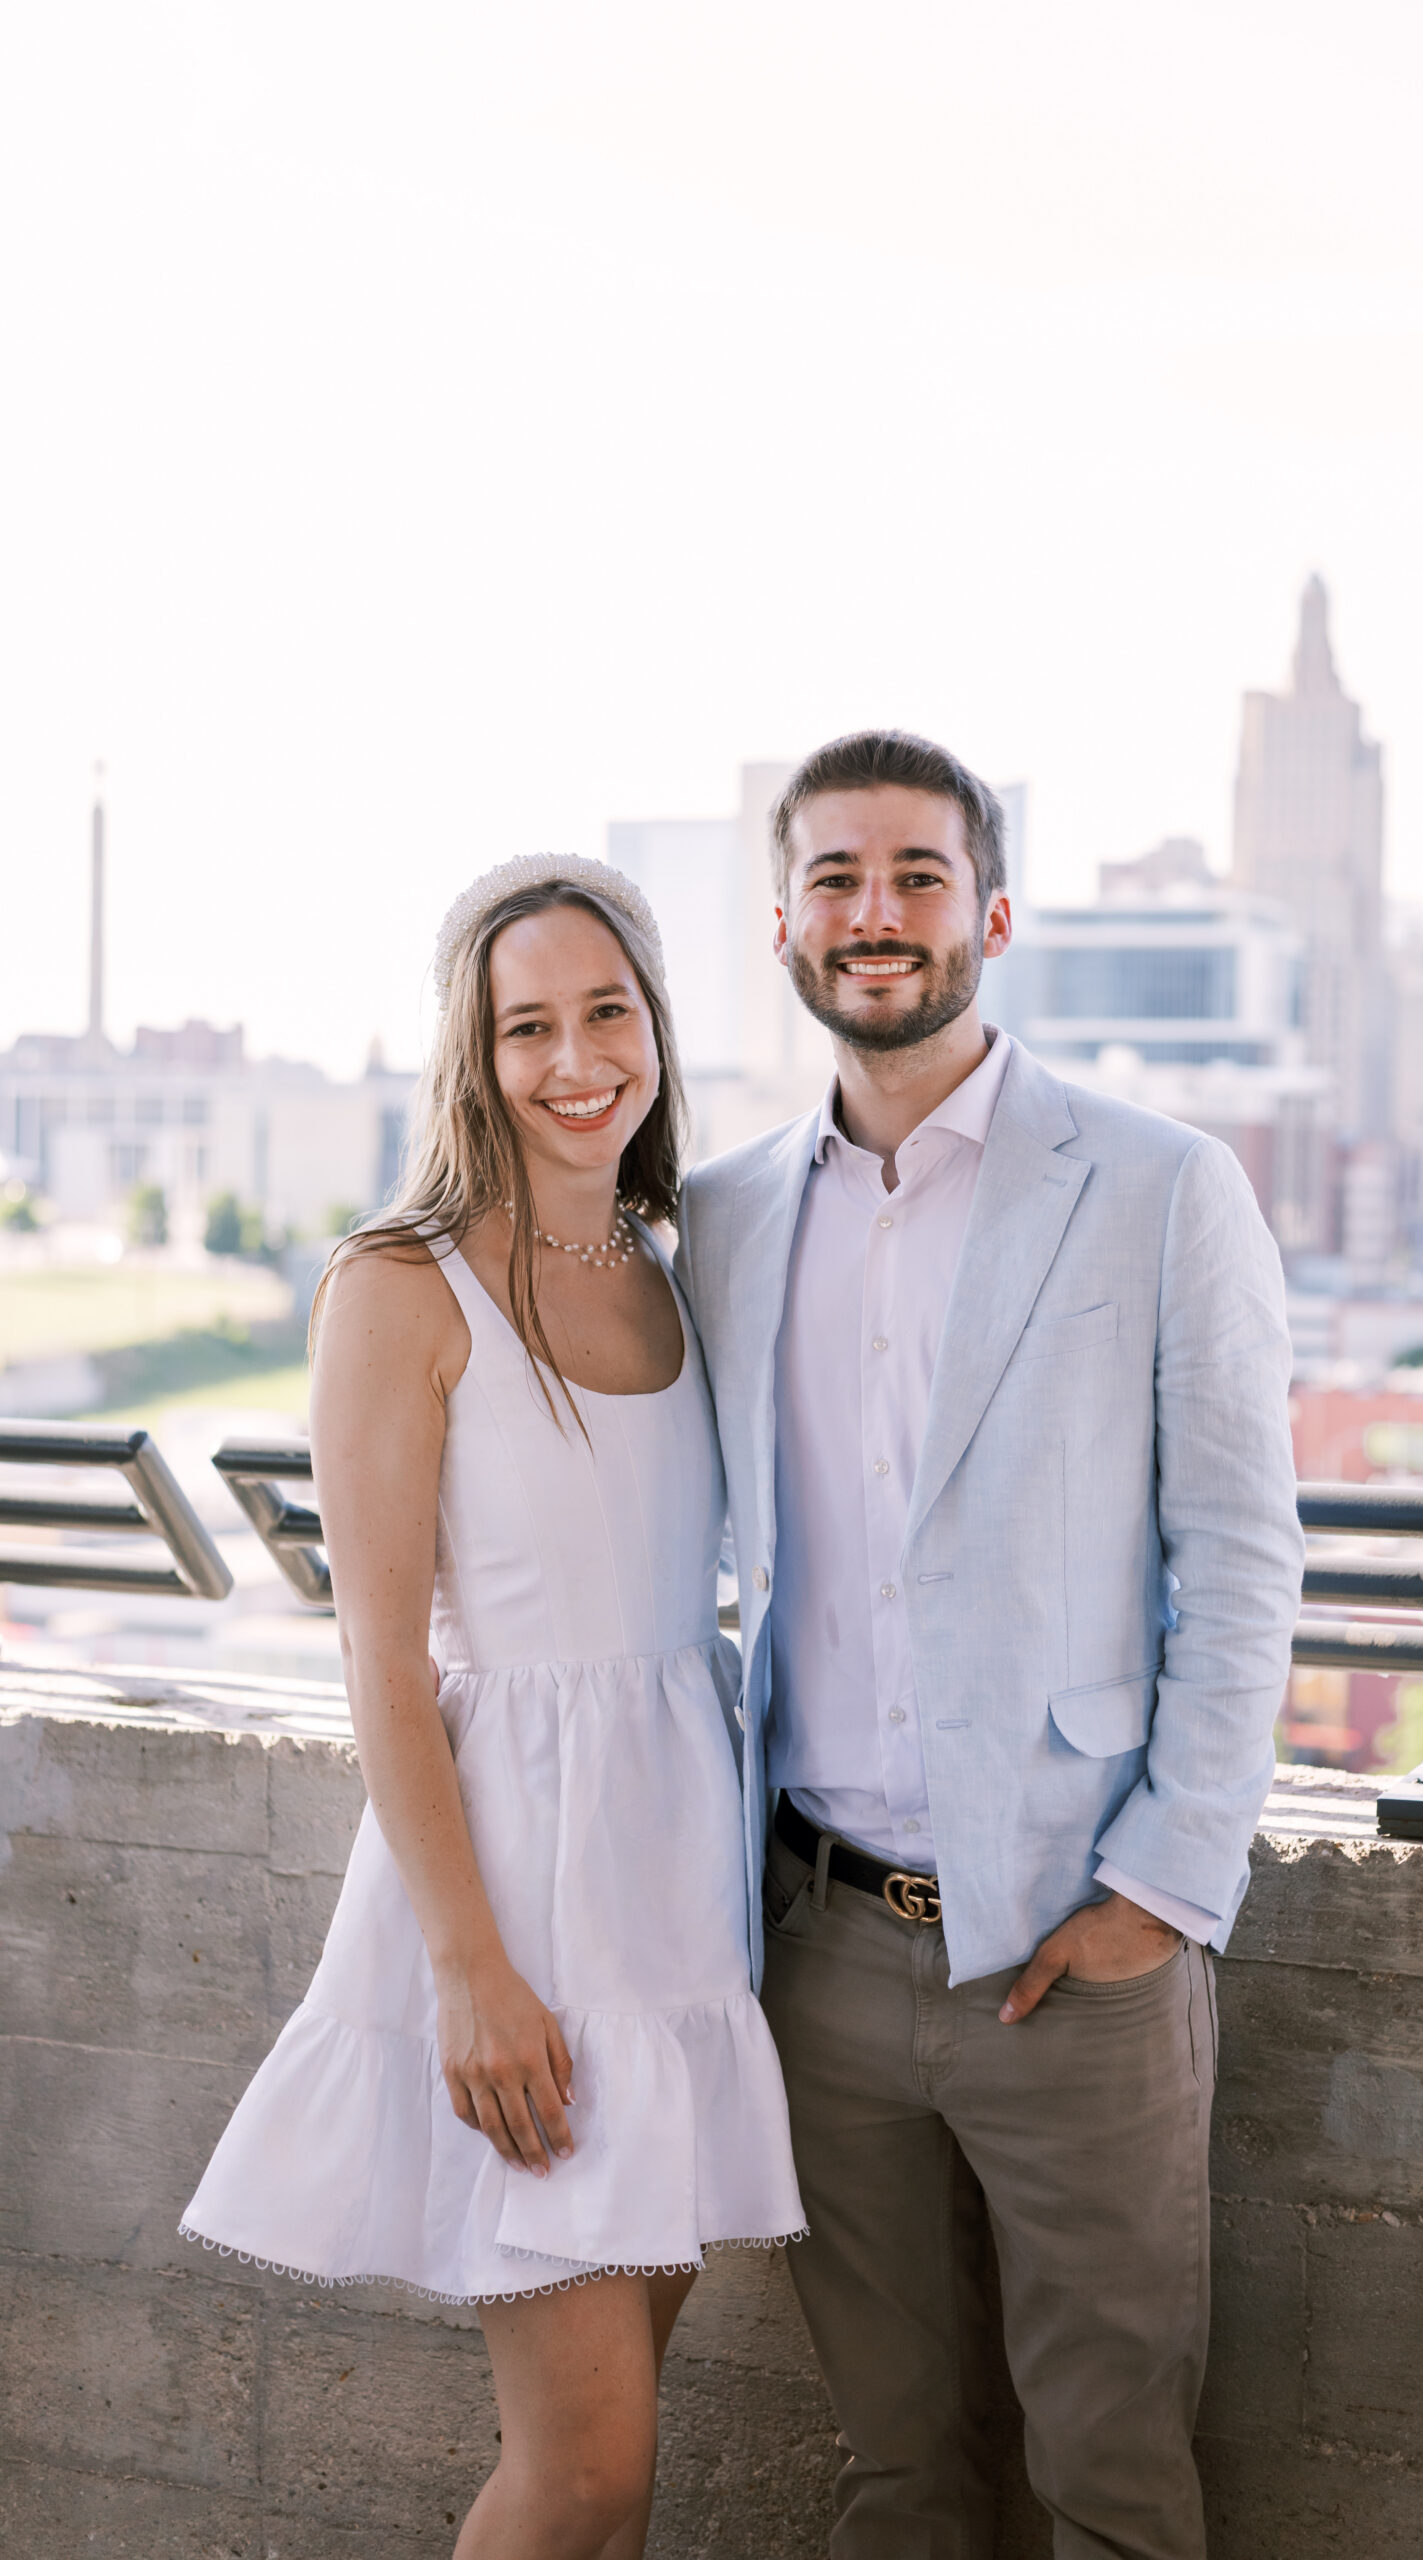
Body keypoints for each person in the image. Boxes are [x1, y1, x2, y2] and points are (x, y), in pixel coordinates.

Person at [676, 732, 1304, 2560]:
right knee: (897, 2480)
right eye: (840, 881)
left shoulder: (1160, 1184)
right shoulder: (716, 1218)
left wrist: (1162, 1892)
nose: (878, 916)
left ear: (994, 914)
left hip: (1076, 1950)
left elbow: (1247, 1555)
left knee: (1111, 2479)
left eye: (920, 877)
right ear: (782, 923)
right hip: (817, 1947)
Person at [181, 854, 803, 2560]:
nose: (574, 1057)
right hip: (516, 1917)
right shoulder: (401, 1286)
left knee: (623, 2463)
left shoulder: (677, 1264)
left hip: (675, 1914)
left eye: (608, 1010)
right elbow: (382, 1661)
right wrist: (468, 1973)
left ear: (661, 1029)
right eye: (527, 1023)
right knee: (583, 2468)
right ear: (474, 1050)